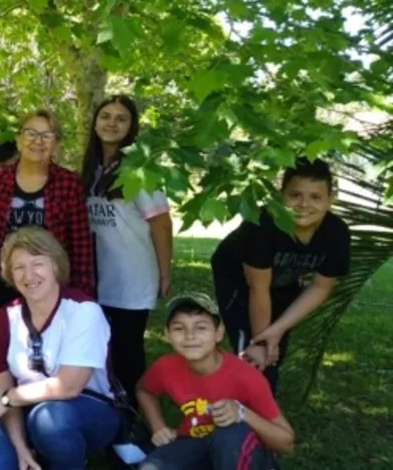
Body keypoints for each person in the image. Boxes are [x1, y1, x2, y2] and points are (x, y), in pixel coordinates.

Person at [0, 227, 119, 470]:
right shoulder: (4, 318)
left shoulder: (84, 311)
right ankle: (32, 453)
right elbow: (2, 390)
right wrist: (20, 448)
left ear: (55, 265)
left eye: (37, 263)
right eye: (19, 267)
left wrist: (11, 398)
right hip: (20, 410)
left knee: (49, 422)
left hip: (85, 410)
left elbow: (68, 387)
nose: (29, 275)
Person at [211, 158, 350, 392]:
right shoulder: (262, 224)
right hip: (239, 282)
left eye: (316, 197)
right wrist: (262, 341)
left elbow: (320, 287)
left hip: (284, 283)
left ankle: (258, 405)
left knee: (274, 348)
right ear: (280, 196)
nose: (304, 204)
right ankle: (248, 410)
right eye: (295, 195)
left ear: (330, 200)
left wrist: (276, 331)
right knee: (253, 350)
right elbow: (258, 289)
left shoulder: (336, 233)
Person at [81, 95, 173, 400]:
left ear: (132, 127)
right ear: (95, 122)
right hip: (98, 278)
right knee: (100, 350)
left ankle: (133, 416)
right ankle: (105, 408)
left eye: (121, 118)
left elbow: (161, 223)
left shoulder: (140, 169)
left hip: (132, 279)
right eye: (105, 116)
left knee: (127, 353)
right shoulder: (91, 169)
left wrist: (164, 273)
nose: (111, 123)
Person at [136, 294, 294, 470]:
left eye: (201, 327)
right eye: (179, 328)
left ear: (218, 333)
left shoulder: (246, 377)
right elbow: (144, 390)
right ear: (167, 334)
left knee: (231, 434)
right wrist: (158, 426)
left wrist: (242, 413)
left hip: (237, 448)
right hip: (193, 441)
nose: (190, 336)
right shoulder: (166, 366)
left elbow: (285, 442)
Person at [0, 110, 95, 311]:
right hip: (1, 282)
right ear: (19, 140)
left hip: (48, 283)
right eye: (31, 133)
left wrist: (82, 294)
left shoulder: (69, 183)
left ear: (56, 144)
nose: (38, 141)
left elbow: (80, 245)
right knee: (2, 338)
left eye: (47, 135)